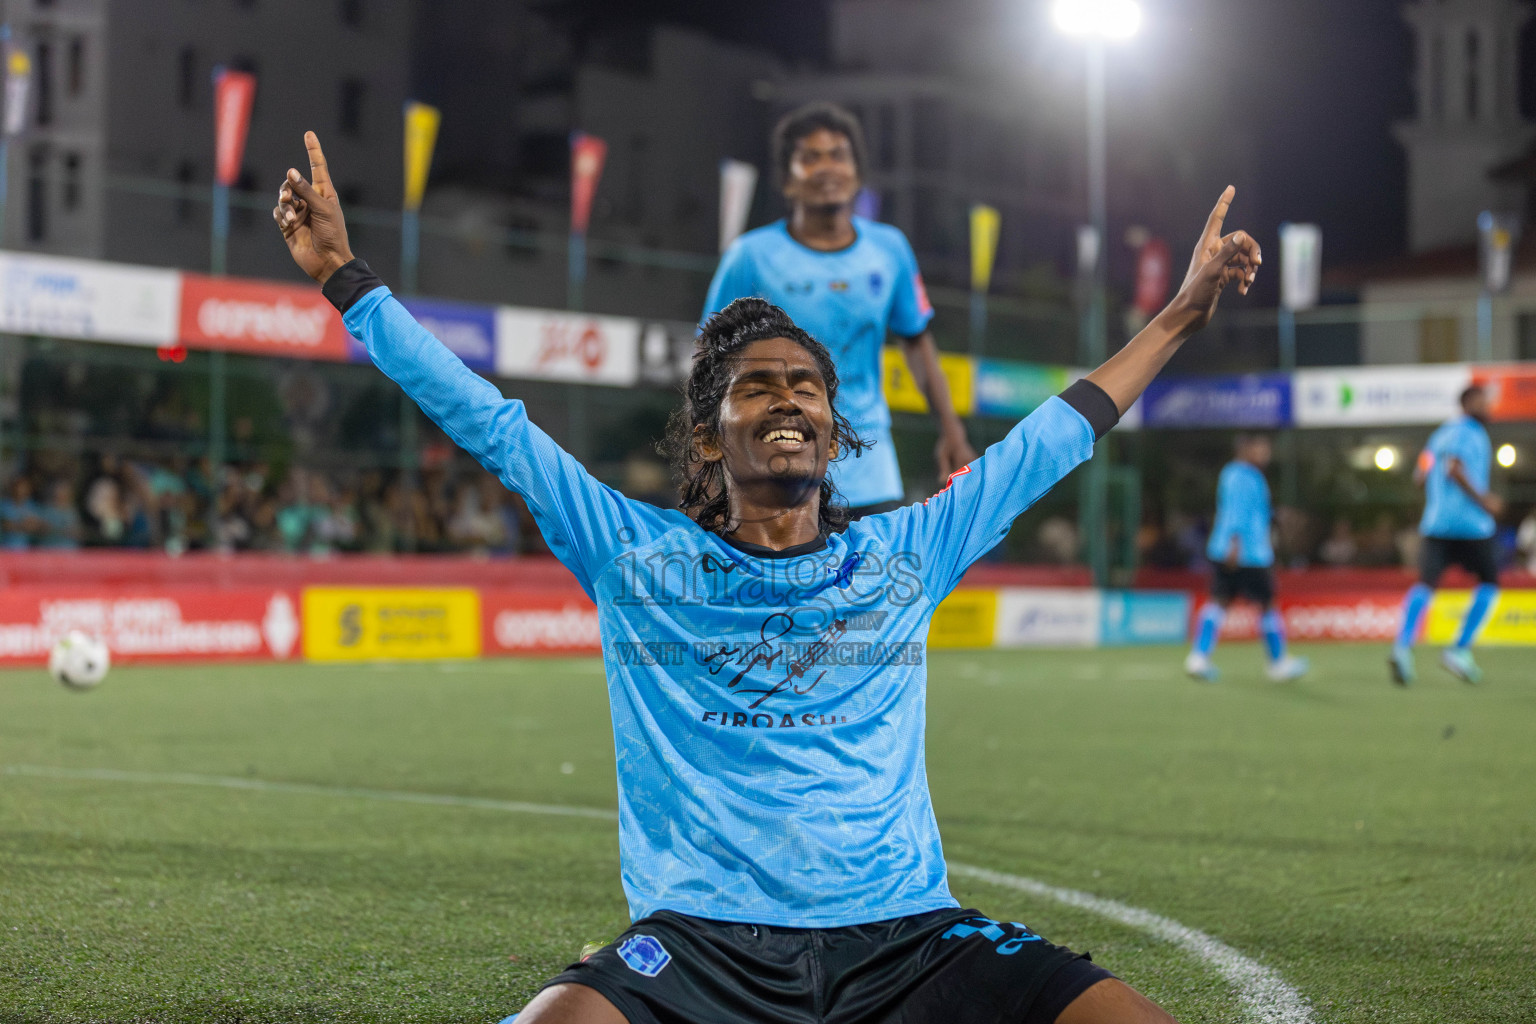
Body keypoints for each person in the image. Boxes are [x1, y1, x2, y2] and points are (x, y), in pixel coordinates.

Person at [276, 131, 1261, 1024]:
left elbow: (1055, 435)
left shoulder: (905, 552)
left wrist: (1181, 313)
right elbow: (487, 419)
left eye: (806, 386)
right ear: (711, 434)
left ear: (837, 434)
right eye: (757, 383)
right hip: (700, 945)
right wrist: (344, 276)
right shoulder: (634, 553)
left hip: (914, 940)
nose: (787, 396)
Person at [703, 102, 976, 517]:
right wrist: (706, 459)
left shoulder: (890, 250)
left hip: (871, 465)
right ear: (787, 180)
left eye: (838, 155)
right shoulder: (750, 257)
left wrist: (951, 429)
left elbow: (917, 343)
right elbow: (707, 360)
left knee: (876, 580)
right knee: (785, 583)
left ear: (857, 174)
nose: (826, 167)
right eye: (810, 158)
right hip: (776, 465)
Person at [1390, 386, 1504, 685]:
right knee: (1490, 582)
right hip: (1471, 525)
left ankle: (1402, 647)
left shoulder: (1439, 434)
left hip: (1436, 523)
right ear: (1467, 404)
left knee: (1426, 585)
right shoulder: (1471, 432)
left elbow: (1421, 474)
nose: (1488, 407)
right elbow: (1454, 468)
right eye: (1482, 402)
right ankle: (1459, 648)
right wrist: (1484, 500)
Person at [1184, 435, 1308, 683]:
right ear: (1246, 449)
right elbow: (1236, 513)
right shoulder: (1243, 476)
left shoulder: (1236, 474)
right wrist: (1234, 544)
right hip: (1248, 553)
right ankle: (1278, 662)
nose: (1266, 454)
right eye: (1261, 448)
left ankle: (1198, 657)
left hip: (1233, 549)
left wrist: (1275, 515)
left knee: (1220, 601)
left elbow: (1250, 510)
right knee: (1267, 604)